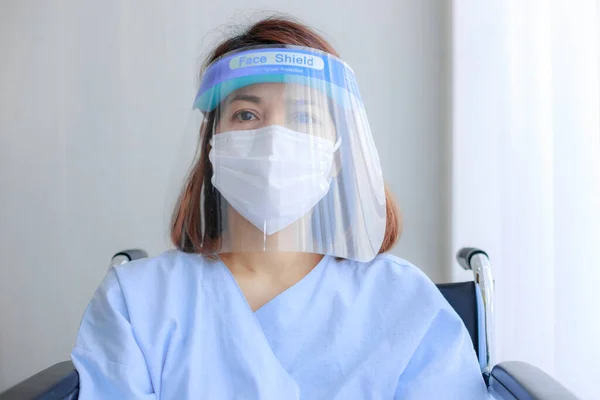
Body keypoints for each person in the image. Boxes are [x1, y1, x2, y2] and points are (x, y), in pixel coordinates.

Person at [71, 16, 490, 399]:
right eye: (248, 114)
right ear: (212, 143)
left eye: (304, 115)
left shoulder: (402, 300)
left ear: (337, 152)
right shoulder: (138, 299)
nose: (274, 137)